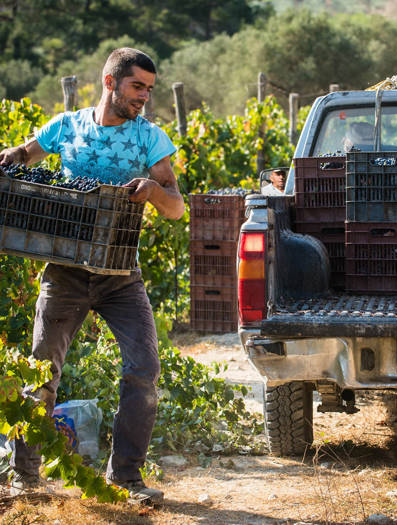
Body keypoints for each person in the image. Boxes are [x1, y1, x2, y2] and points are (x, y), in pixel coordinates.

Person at [0, 47, 185, 504]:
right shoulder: (66, 127)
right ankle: (25, 478)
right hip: (64, 270)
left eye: (149, 89)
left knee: (143, 369)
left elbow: (177, 207)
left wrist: (153, 191)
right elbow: (25, 154)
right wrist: (12, 155)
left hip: (121, 273)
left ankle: (126, 478)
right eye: (137, 86)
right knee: (41, 375)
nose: (144, 96)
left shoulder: (151, 139)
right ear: (110, 82)